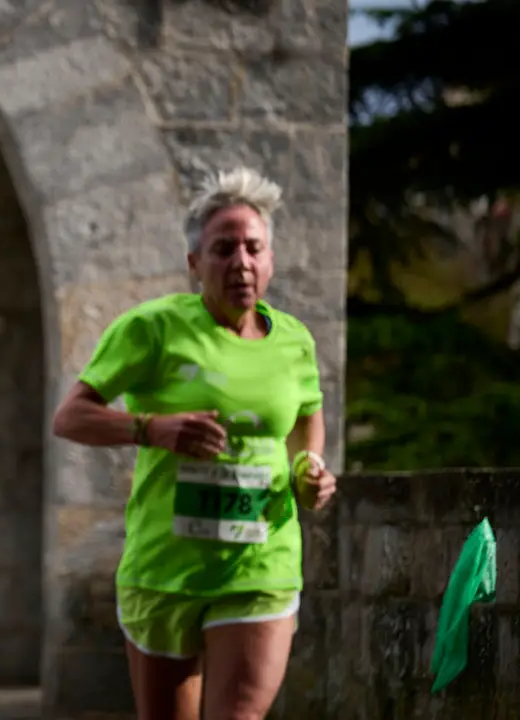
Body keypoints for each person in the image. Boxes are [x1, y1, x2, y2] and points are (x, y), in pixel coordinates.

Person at [51, 166, 338, 720]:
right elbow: (71, 418)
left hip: (262, 562)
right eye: (223, 249)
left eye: (253, 248)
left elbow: (307, 419)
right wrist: (153, 428)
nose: (241, 262)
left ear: (271, 260)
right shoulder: (152, 329)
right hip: (166, 569)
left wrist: (310, 467)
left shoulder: (294, 342)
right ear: (194, 263)